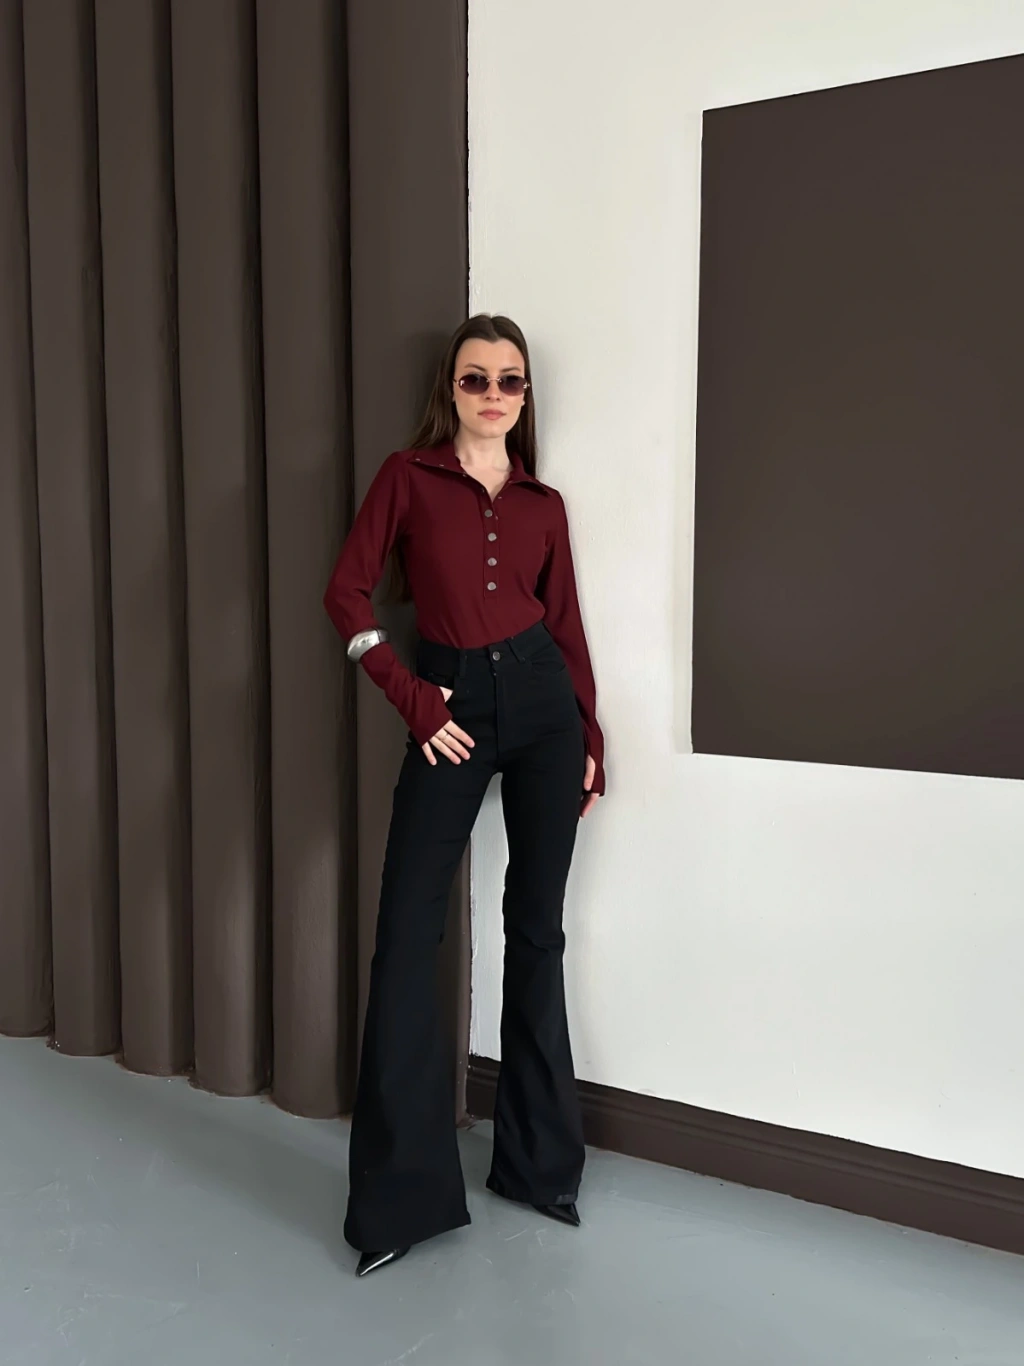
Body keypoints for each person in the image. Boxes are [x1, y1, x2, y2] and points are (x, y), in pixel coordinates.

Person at [323, 313, 605, 1278]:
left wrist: (589, 736)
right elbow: (345, 595)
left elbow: (565, 626)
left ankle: (538, 1167)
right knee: (408, 933)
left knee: (537, 931)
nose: (493, 394)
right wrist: (412, 698)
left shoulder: (543, 504)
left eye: (509, 380)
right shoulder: (407, 478)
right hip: (449, 704)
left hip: (543, 710)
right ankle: (399, 1201)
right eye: (476, 378)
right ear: (451, 388)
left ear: (526, 394)